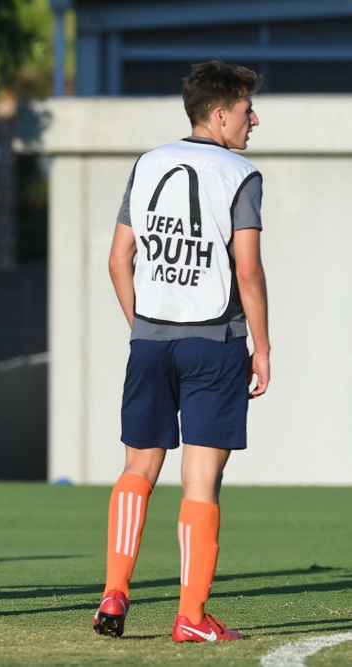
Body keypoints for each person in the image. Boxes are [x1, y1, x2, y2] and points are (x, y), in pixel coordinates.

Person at [93, 60, 270, 642]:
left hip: (149, 341)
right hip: (214, 343)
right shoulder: (241, 174)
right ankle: (190, 618)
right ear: (220, 113)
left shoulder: (147, 164)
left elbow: (119, 259)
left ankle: (114, 594)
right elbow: (248, 269)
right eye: (247, 110)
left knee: (136, 469)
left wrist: (143, 323)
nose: (254, 120)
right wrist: (263, 347)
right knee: (200, 483)